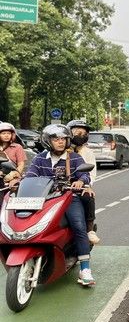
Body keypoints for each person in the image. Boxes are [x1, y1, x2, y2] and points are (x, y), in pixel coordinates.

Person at [25, 124, 95, 286]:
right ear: (48, 141)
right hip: (44, 200)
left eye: (63, 139)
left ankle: (85, 269)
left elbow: (85, 174)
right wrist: (20, 181)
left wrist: (80, 181)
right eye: (56, 139)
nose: (61, 142)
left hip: (69, 199)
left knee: (78, 226)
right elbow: (31, 175)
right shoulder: (40, 158)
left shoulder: (75, 158)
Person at [67, 120, 100, 245]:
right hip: (59, 185)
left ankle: (89, 230)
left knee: (88, 197)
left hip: (81, 185)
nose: (80, 134)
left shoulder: (88, 152)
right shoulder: (61, 149)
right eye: (77, 132)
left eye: (83, 132)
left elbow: (91, 173)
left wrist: (87, 186)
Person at [0, 123, 26, 192]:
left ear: (12, 135)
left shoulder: (17, 147)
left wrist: (14, 175)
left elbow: (21, 165)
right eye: (3, 133)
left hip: (12, 178)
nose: (6, 135)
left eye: (8, 133)